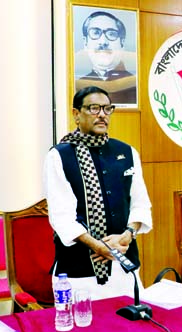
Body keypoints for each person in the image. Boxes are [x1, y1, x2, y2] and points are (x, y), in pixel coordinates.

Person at [44, 86, 151, 300]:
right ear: (76, 114)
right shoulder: (59, 156)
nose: (102, 114)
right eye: (94, 108)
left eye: (106, 108)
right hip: (78, 272)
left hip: (124, 264)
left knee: (133, 330)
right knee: (83, 331)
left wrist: (127, 235)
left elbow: (140, 204)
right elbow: (61, 217)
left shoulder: (127, 152)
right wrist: (98, 246)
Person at [75, 11, 137, 105]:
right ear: (85, 43)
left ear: (122, 43)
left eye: (111, 34)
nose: (103, 41)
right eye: (95, 33)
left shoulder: (134, 86)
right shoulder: (78, 86)